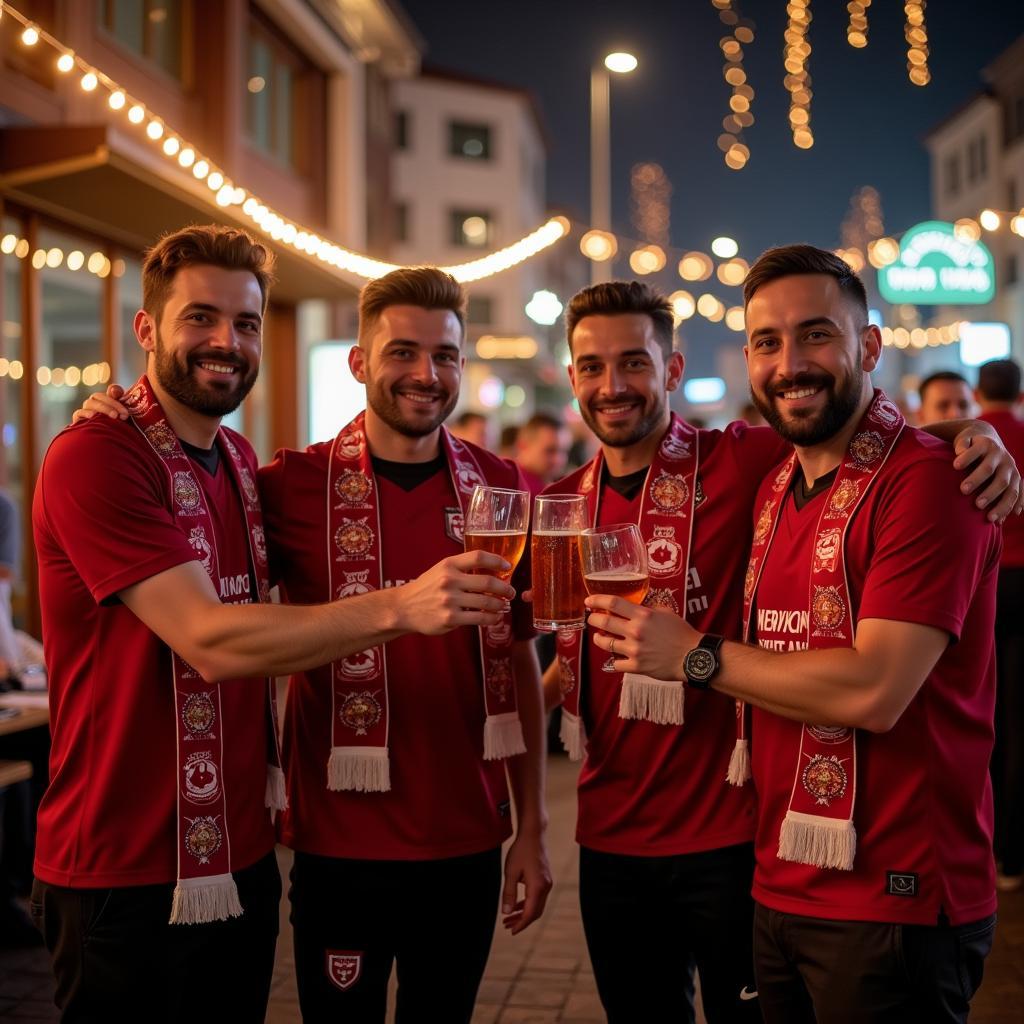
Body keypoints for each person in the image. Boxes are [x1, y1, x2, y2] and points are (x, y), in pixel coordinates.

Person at [35, 227, 516, 1024]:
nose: (226, 342)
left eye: (247, 323)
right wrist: (400, 605)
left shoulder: (235, 463)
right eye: (201, 318)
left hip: (241, 857)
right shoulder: (99, 454)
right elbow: (212, 639)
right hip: (121, 867)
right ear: (146, 329)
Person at [541, 279, 1018, 1023]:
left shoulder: (741, 461)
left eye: (634, 362)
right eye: (593, 367)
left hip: (738, 840)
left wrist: (982, 439)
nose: (613, 385)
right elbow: (572, 653)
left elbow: (873, 435)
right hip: (620, 842)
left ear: (672, 369)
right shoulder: (561, 509)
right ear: (571, 378)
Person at [976, 357, 1024, 892]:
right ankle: (1015, 855)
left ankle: (994, 846)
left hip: (988, 588)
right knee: (1019, 722)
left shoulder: (970, 444)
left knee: (990, 714)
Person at [514, 412, 572, 496]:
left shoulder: (551, 485)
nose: (558, 460)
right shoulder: (511, 486)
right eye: (550, 450)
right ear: (523, 446)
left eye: (564, 451)